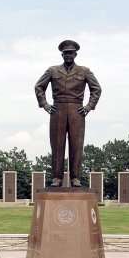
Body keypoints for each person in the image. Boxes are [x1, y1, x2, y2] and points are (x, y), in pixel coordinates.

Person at [35, 40, 102, 187]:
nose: (68, 55)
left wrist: (89, 107)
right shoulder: (52, 71)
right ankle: (57, 177)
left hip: (77, 111)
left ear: (75, 54)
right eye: (65, 53)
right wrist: (45, 105)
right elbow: (39, 87)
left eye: (71, 53)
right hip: (57, 110)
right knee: (57, 145)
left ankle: (75, 177)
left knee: (76, 145)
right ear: (62, 54)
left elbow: (96, 89)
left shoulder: (84, 71)